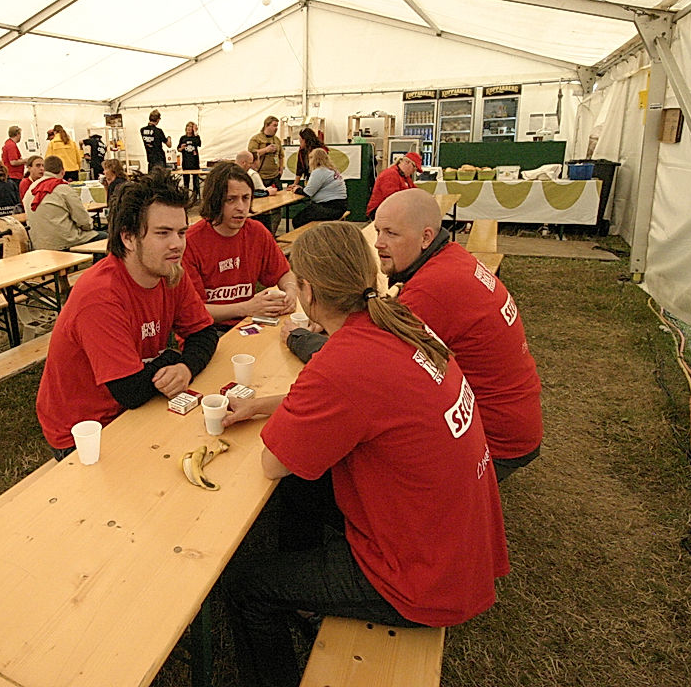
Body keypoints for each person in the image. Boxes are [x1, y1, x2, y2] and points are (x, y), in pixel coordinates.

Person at [220, 221, 508, 687]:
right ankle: (310, 595)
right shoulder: (398, 321)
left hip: (421, 578)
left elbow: (274, 462)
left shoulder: (342, 362)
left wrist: (288, 410)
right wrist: (262, 405)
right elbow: (359, 401)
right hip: (456, 538)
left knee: (246, 586)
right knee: (301, 493)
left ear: (308, 293)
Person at [287, 189, 542, 481]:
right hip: (512, 417)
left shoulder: (429, 291)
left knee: (342, 451)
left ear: (426, 237)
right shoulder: (451, 258)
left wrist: (300, 337)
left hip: (492, 439)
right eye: (378, 230)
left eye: (392, 234)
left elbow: (363, 366)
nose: (379, 243)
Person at [35, 170, 218, 458]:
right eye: (162, 233)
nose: (177, 244)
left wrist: (185, 368)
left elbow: (204, 333)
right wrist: (171, 358)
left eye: (181, 232)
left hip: (136, 406)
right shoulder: (100, 295)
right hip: (85, 432)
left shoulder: (170, 272)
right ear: (129, 238)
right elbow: (130, 390)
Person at [182, 162, 297, 332]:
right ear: (215, 201)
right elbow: (193, 311)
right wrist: (247, 308)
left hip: (248, 323)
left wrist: (291, 292)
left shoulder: (257, 232)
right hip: (207, 330)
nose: (241, 207)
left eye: (246, 198)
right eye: (231, 199)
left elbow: (284, 273)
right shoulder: (190, 242)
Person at [23, 155, 105, 251]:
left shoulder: (31, 188)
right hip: (62, 242)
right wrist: (91, 225)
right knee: (104, 237)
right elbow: (83, 221)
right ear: (62, 172)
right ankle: (97, 265)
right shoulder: (64, 188)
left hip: (38, 243)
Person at [288, 149, 348, 228]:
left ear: (314, 159)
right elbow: (313, 188)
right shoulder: (331, 170)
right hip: (340, 205)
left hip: (329, 207)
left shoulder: (319, 171)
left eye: (310, 158)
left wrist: (296, 190)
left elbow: (308, 193)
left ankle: (308, 239)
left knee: (297, 221)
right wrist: (302, 189)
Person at [366, 152, 420, 217]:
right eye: (414, 167)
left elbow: (415, 191)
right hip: (379, 211)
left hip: (392, 209)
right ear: (407, 162)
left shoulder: (405, 177)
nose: (414, 171)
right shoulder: (390, 174)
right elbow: (392, 199)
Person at [248, 115, 283, 188]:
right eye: (274, 125)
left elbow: (281, 156)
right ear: (267, 125)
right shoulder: (256, 139)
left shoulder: (277, 140)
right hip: (261, 176)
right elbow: (251, 155)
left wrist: (281, 169)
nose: (276, 128)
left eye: (277, 126)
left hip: (275, 176)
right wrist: (266, 150)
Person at [177, 121, 202, 196]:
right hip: (186, 162)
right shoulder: (183, 138)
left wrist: (196, 132)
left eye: (190, 127)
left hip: (194, 162)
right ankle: (186, 196)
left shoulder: (195, 137)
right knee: (186, 182)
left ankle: (196, 197)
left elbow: (199, 143)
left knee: (196, 181)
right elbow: (178, 149)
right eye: (187, 126)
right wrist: (181, 148)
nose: (188, 128)